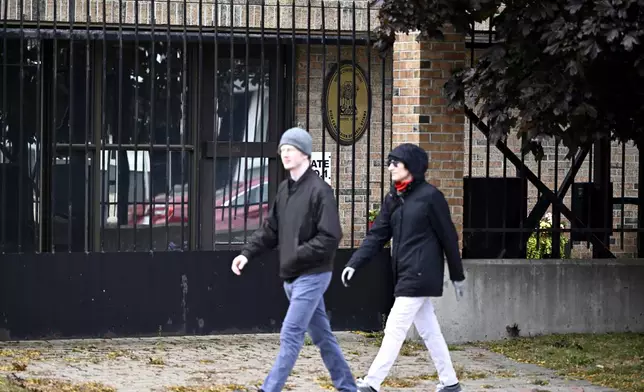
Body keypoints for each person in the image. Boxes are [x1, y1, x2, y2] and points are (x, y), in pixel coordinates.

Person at [231, 127, 357, 392]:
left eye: (291, 149)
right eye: (283, 149)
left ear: (305, 154)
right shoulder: (284, 190)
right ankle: (348, 387)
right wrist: (247, 253)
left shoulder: (320, 191)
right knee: (323, 337)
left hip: (313, 275)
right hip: (292, 276)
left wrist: (296, 254)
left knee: (290, 334)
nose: (285, 154)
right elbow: (271, 230)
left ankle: (269, 389)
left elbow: (331, 236)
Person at [341, 143, 466, 392]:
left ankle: (372, 382)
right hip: (405, 272)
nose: (390, 168)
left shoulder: (430, 197)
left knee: (395, 326)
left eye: (395, 163)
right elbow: (377, 235)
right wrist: (355, 262)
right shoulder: (395, 198)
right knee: (430, 330)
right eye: (389, 162)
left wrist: (457, 275)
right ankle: (450, 382)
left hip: (420, 273)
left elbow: (449, 237)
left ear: (411, 167)